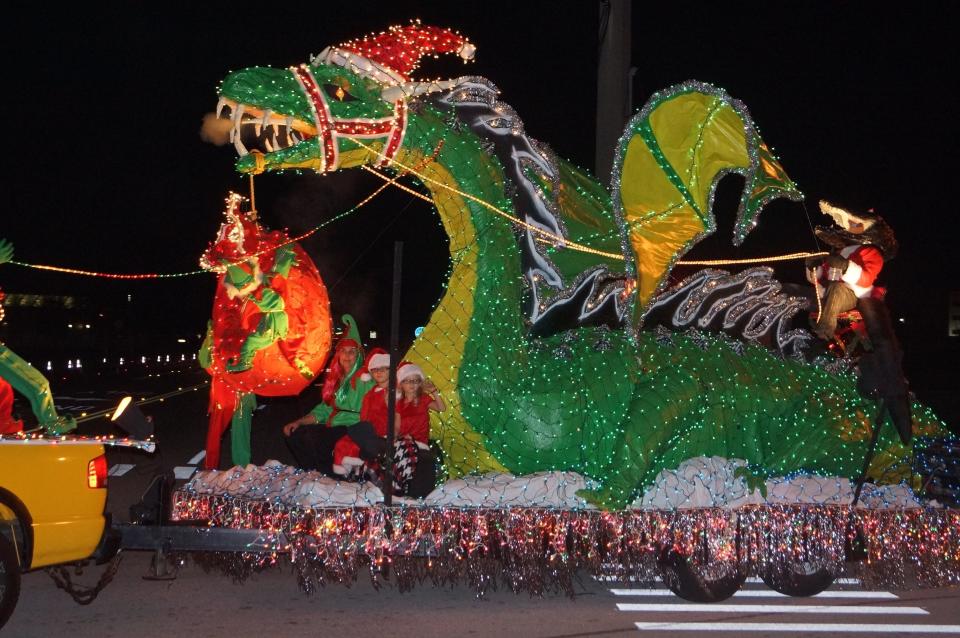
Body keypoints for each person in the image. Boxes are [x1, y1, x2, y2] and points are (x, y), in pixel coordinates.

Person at [283, 315, 373, 475]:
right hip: (334, 425)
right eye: (343, 351)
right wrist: (299, 422)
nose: (347, 355)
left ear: (359, 355)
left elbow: (379, 397)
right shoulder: (337, 381)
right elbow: (323, 410)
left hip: (353, 427)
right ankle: (314, 473)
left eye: (352, 352)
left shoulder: (365, 379)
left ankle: (327, 476)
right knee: (294, 434)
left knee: (316, 438)